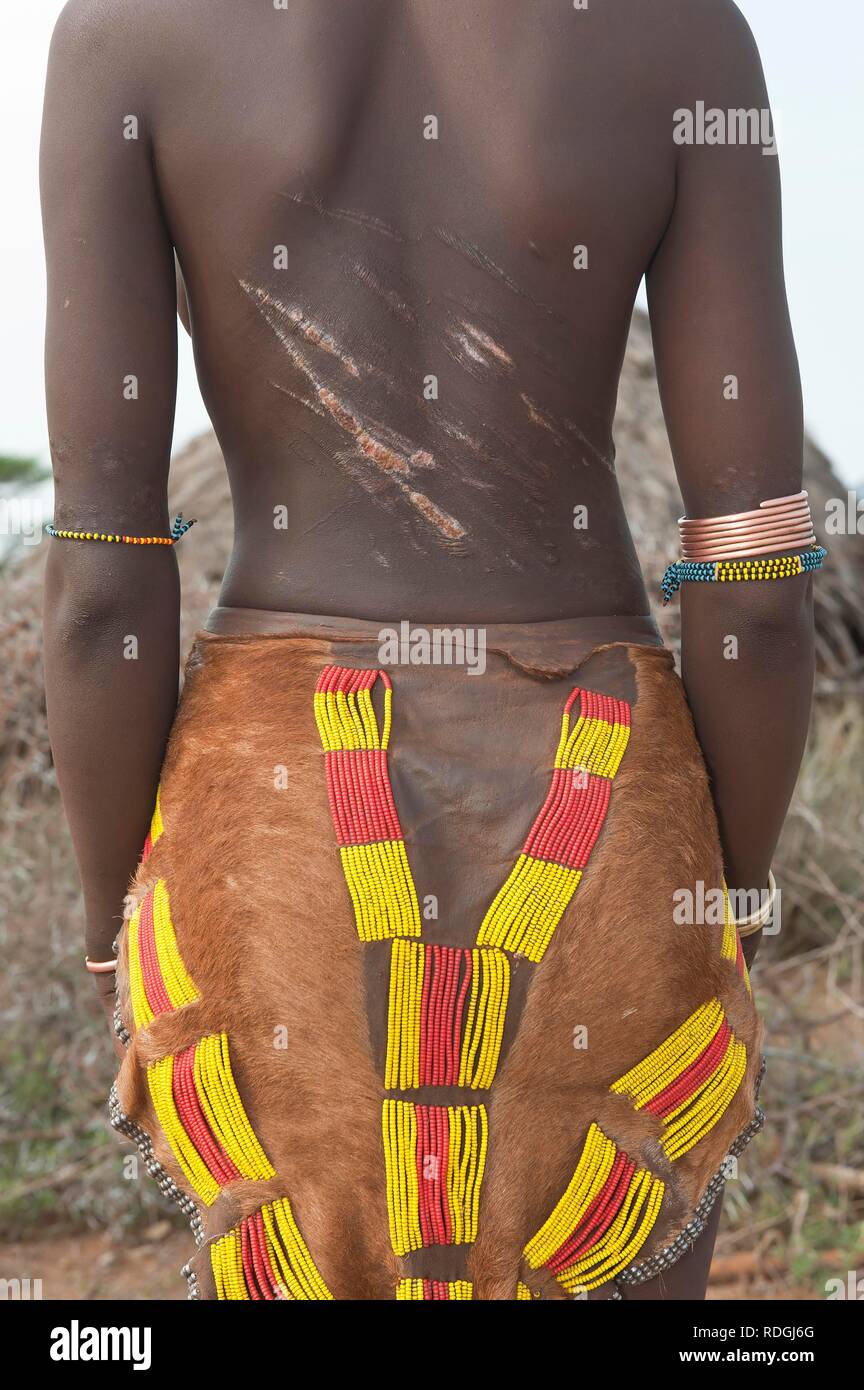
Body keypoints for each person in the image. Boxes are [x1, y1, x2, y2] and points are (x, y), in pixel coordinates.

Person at [41, 0, 816, 1301]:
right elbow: (753, 587)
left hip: (269, 840)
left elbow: (104, 590)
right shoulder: (680, 37)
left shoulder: (126, 35)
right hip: (604, 802)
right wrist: (710, 900)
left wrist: (110, 931)